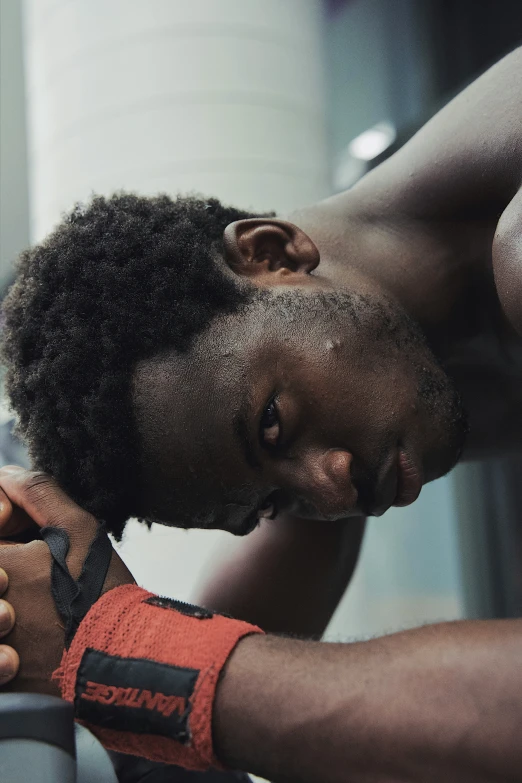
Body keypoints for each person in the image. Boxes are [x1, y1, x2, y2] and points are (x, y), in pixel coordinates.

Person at [0, 46, 520, 782]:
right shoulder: (370, 383)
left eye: (273, 422)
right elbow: (194, 729)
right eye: (274, 503)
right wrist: (54, 581)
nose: (332, 490)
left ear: (271, 252)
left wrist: (140, 657)